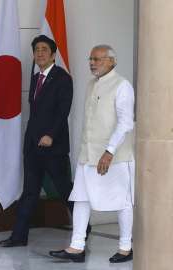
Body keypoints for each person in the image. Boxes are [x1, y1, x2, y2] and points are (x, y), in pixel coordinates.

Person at [49, 45, 135, 263]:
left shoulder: (122, 85)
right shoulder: (90, 85)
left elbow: (125, 123)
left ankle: (125, 248)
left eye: (98, 59)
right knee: (81, 199)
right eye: (91, 59)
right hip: (88, 155)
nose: (92, 63)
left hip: (114, 157)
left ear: (112, 62)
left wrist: (109, 151)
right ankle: (76, 247)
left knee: (122, 201)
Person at [0, 34, 75, 247]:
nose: (39, 53)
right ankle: (18, 237)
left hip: (53, 147)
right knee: (29, 192)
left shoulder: (62, 78)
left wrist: (50, 134)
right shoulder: (35, 78)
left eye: (44, 49)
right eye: (36, 50)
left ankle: (83, 230)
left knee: (65, 190)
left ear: (53, 54)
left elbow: (63, 111)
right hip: (33, 147)